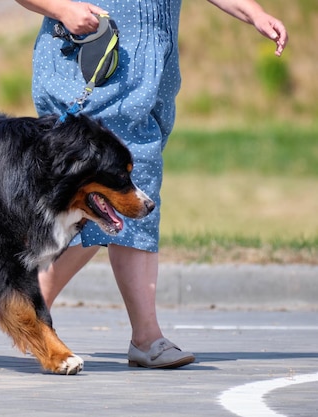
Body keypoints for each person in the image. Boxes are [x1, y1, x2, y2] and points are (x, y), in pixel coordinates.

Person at [16, 0, 287, 368]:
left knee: (123, 207)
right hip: (87, 71)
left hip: (147, 84)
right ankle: (42, 312)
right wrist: (61, 8)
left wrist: (254, 13)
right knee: (99, 204)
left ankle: (45, 308)